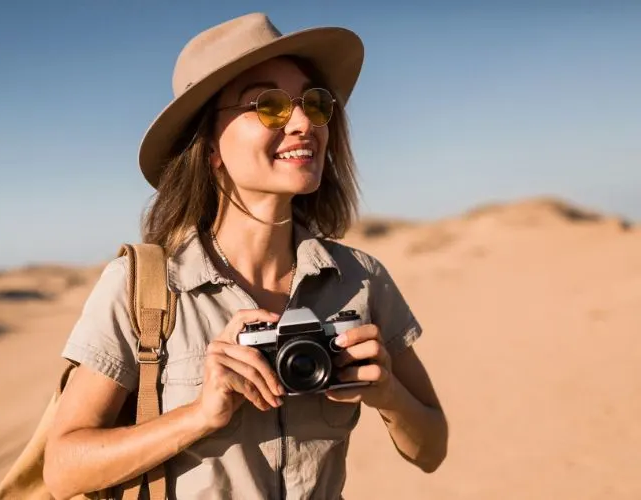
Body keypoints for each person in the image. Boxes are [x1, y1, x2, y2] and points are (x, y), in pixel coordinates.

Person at [43, 12, 448, 500]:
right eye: (269, 105)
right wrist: (199, 415)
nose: (303, 123)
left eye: (314, 104)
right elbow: (62, 469)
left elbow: (432, 449)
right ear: (209, 144)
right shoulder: (144, 289)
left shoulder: (360, 279)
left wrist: (389, 396)